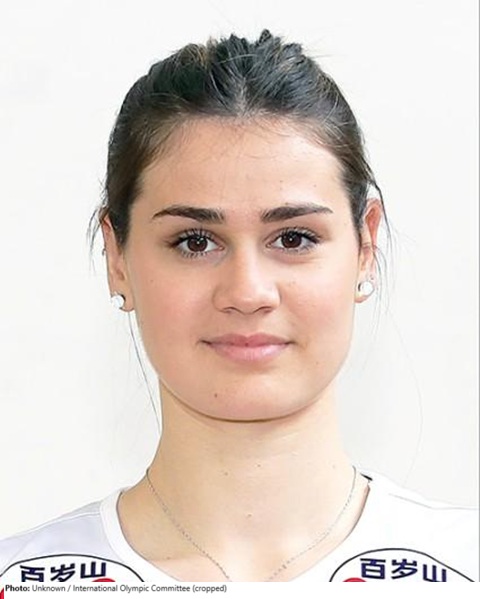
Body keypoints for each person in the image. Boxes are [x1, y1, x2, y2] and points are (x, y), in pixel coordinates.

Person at [0, 30, 477, 585]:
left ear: (365, 246)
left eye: (294, 238)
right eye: (195, 241)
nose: (248, 293)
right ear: (118, 258)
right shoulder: (20, 581)